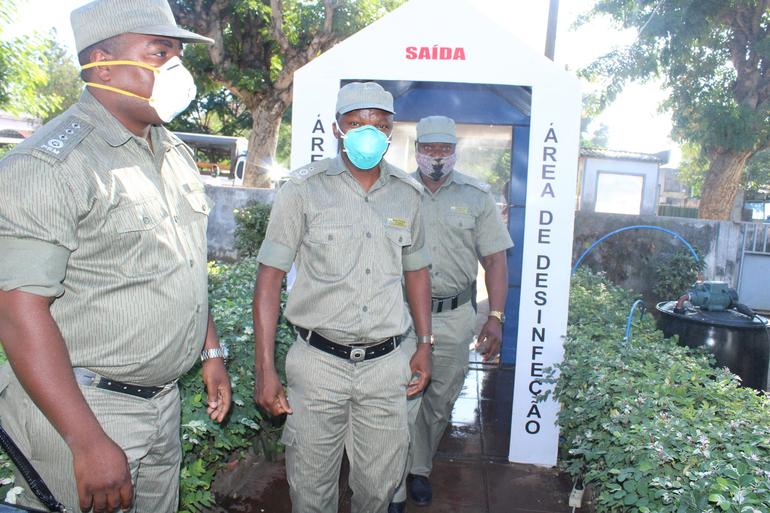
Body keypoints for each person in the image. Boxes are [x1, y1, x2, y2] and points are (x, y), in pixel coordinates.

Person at [0, 1, 232, 511]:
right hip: (89, 409)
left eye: (177, 54)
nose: (176, 68)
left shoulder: (173, 152)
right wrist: (86, 441)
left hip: (161, 404)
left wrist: (210, 351)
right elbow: (18, 313)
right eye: (160, 52)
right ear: (101, 63)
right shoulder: (51, 164)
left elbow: (184, 265)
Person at [252, 82, 433, 513]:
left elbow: (418, 271)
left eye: (378, 125)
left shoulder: (408, 195)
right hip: (318, 365)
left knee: (379, 489)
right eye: (355, 124)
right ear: (337, 129)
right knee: (311, 493)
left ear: (390, 133)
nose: (367, 133)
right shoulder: (303, 189)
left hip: (385, 366)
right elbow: (269, 276)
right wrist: (265, 367)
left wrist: (425, 344)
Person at [391, 116, 513, 512]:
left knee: (439, 400)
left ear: (455, 150)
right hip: (402, 315)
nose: (437, 156)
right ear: (418, 150)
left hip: (455, 314)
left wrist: (495, 315)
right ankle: (392, 486)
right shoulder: (397, 192)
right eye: (429, 148)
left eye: (445, 148)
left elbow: (495, 260)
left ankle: (419, 469)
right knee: (400, 398)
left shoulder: (477, 197)